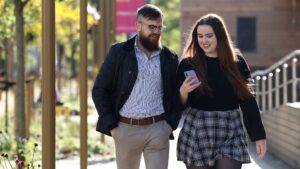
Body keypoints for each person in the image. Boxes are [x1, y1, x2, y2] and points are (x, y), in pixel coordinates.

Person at [174, 13, 267, 169]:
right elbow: (177, 106)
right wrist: (183, 92)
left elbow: (248, 101)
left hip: (231, 129)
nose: (204, 41)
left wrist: (259, 136)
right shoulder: (188, 64)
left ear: (220, 36)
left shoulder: (236, 62)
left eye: (209, 36)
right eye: (200, 36)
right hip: (198, 129)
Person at [92, 4, 179, 169]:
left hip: (158, 129)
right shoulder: (119, 52)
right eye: (151, 26)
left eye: (160, 27)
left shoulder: (170, 58)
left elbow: (177, 94)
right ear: (138, 25)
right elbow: (100, 89)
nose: (156, 31)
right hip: (126, 129)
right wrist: (112, 126)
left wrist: (170, 126)